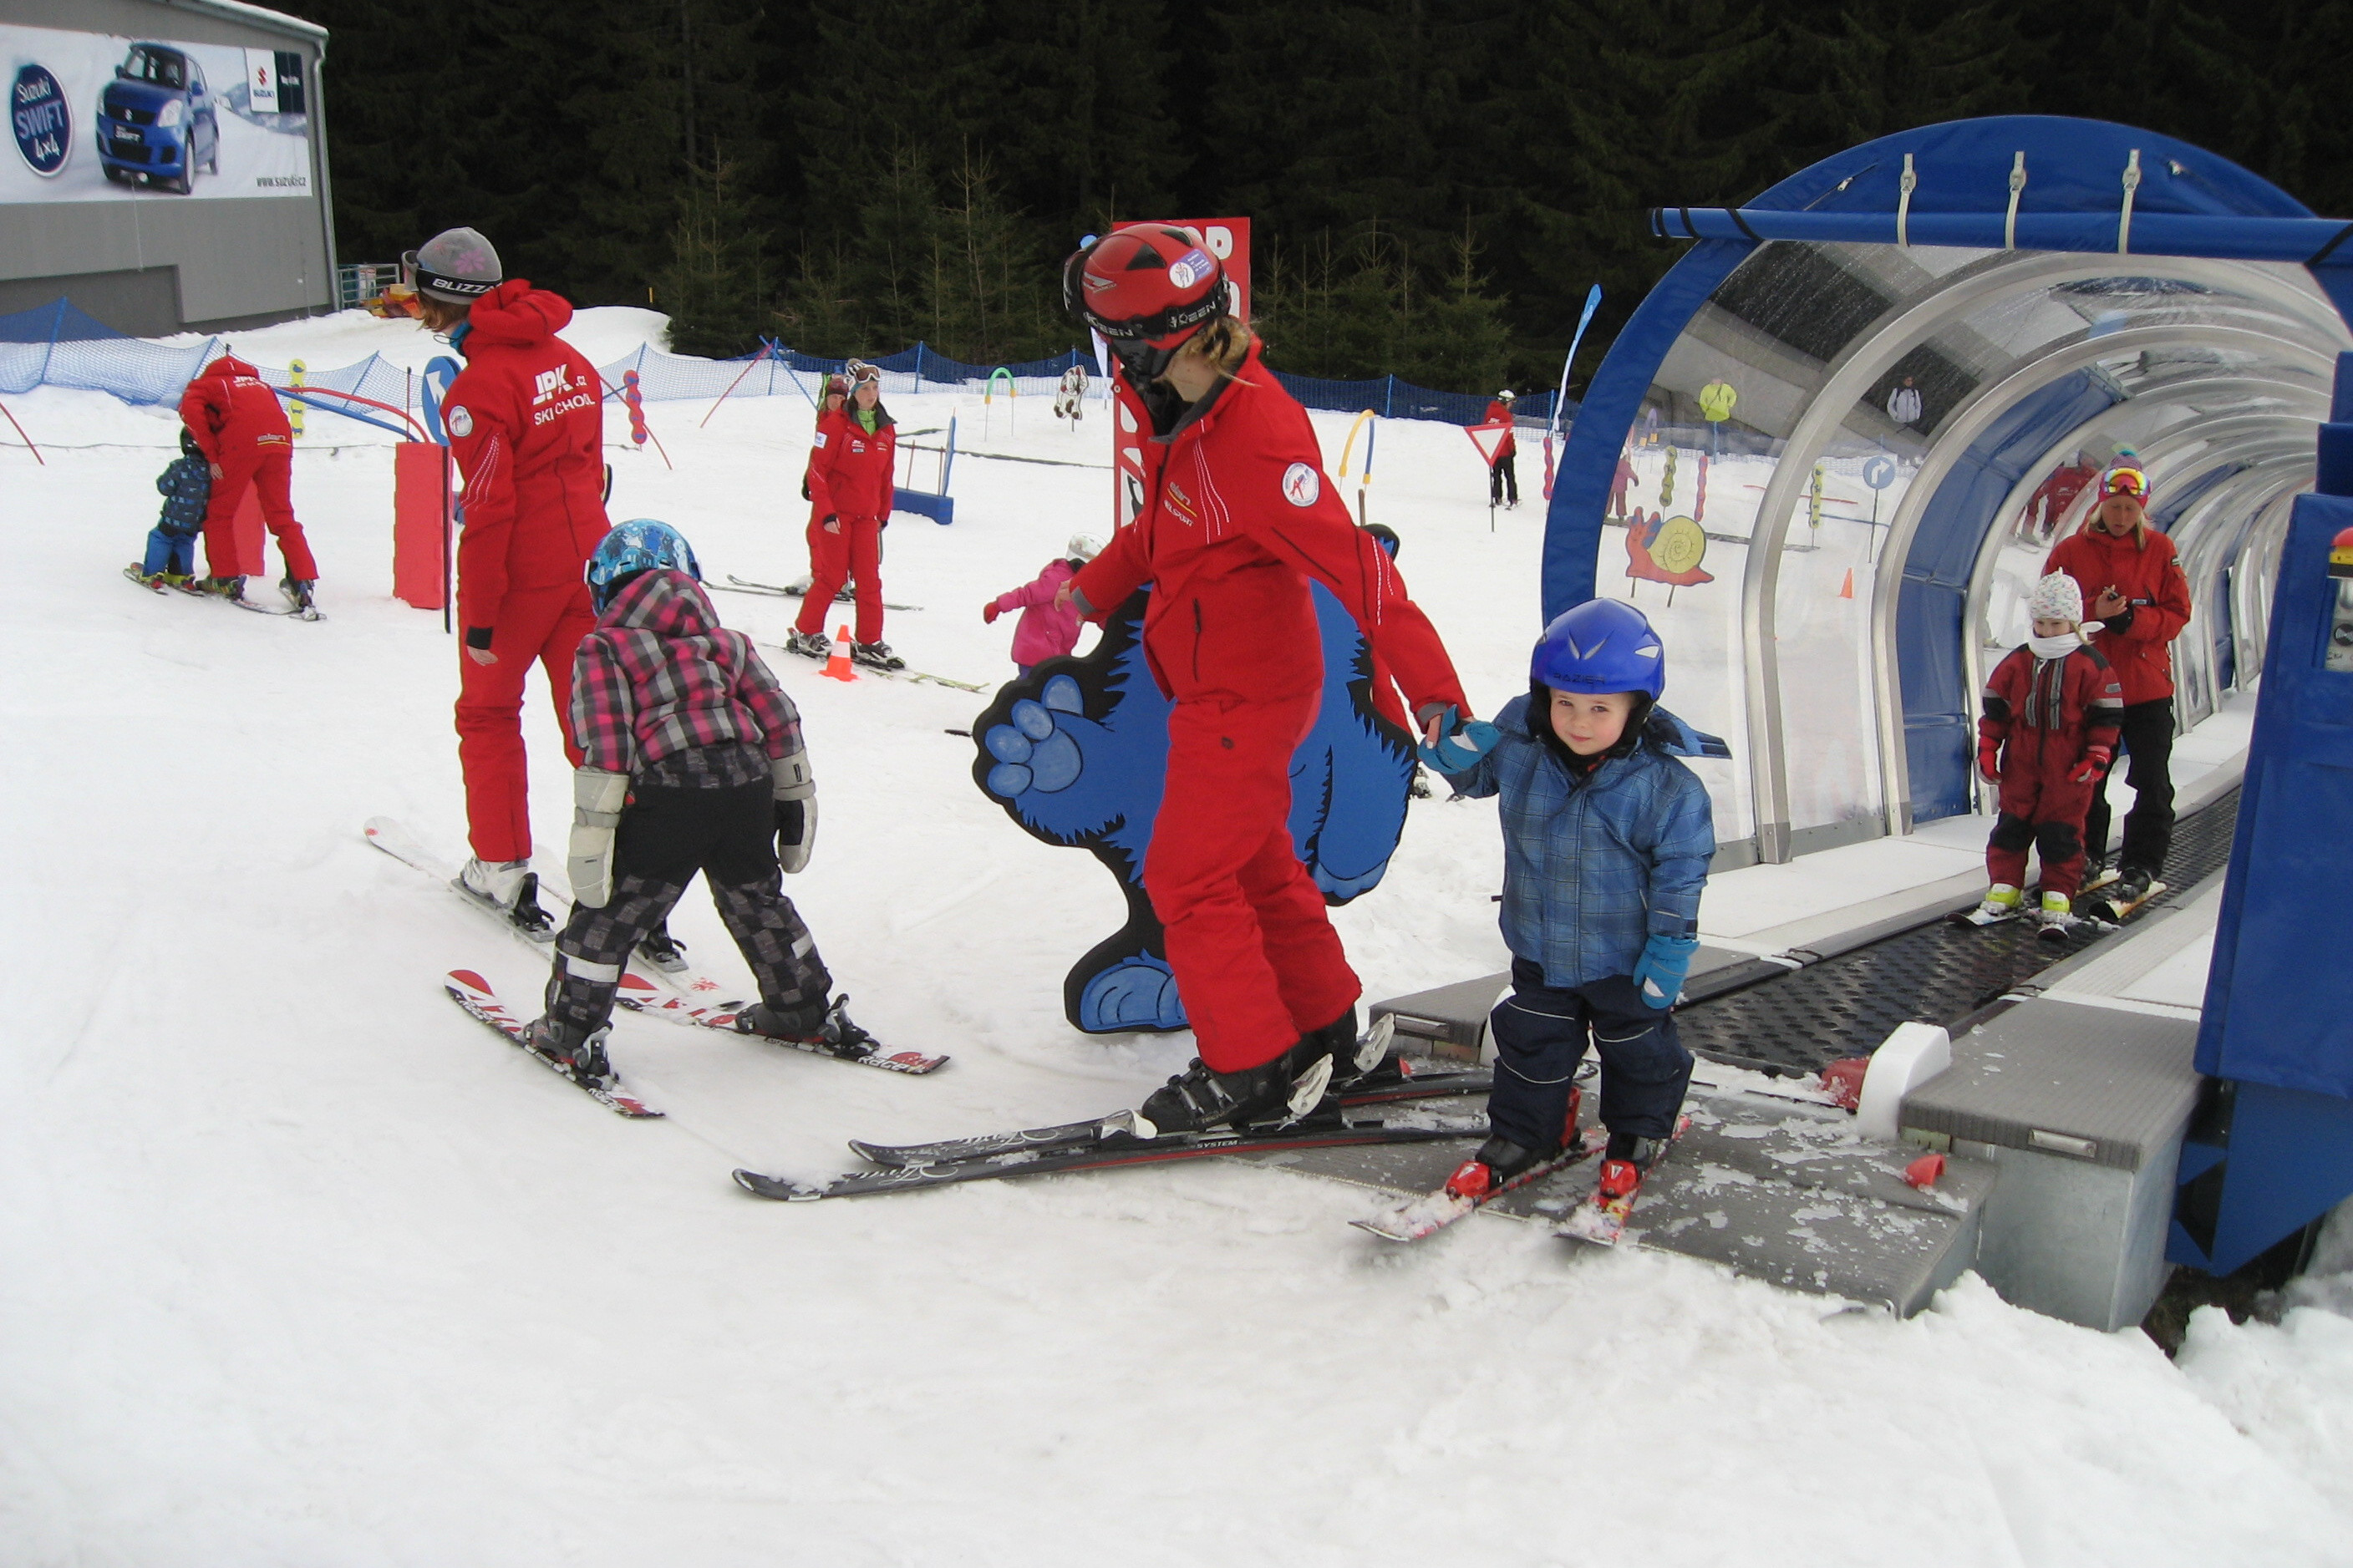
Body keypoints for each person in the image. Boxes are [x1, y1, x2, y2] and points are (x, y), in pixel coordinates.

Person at [1055, 222, 1481, 1133]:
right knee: (1254, 865)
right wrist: (1085, 591)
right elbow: (1165, 527)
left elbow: (1359, 570)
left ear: (1148, 341)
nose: (1109, 360)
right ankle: (1324, 1028)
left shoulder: (1254, 438)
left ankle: (1246, 1065)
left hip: (1244, 700)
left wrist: (1435, 691)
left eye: (1111, 341)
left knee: (1185, 878)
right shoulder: (1183, 405)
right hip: (1215, 690)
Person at [525, 520, 872, 1087]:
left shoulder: (604, 647)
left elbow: (606, 744)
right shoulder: (729, 643)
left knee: (612, 915)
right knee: (757, 902)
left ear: (605, 588)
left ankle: (570, 1030)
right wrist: (794, 793)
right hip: (747, 786)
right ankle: (802, 1008)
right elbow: (779, 716)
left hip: (671, 794)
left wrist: (595, 834)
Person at [1426, 598, 1715, 1220]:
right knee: (1532, 1043)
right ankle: (1527, 1133)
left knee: (1637, 1047)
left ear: (1638, 708)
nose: (1579, 722)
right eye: (1565, 704)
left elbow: (1681, 874)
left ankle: (1638, 1132)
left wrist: (1670, 948)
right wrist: (1455, 753)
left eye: (1600, 709)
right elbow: (1477, 776)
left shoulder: (1668, 789)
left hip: (1625, 956)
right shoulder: (1522, 752)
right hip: (1540, 945)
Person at [406, 226, 617, 941]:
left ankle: (499, 865)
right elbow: (592, 463)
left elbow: (490, 508)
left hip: (522, 573)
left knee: (489, 714)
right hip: (588, 559)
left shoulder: (477, 387)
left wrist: (480, 614)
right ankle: (627, 873)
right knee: (594, 726)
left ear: (444, 303)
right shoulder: (570, 358)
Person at [2043, 451, 2192, 906]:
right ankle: (2085, 855)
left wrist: (2132, 622)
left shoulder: (2160, 550)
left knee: (2152, 780)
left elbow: (2177, 612)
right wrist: (2095, 613)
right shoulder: (2071, 552)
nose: (2122, 517)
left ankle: (2142, 863)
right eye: (2115, 507)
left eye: (2130, 509)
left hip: (2147, 688)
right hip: (2091, 687)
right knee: (2086, 779)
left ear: (2141, 509)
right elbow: (2048, 611)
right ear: (2101, 505)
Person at [1967, 573, 2124, 932]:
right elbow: (1996, 710)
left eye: (2056, 624)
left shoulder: (2090, 664)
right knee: (2011, 826)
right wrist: (1988, 749)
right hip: (2021, 761)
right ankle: (2004, 887)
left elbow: (2106, 716)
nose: (2048, 632)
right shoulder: (2019, 661)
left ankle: (2058, 893)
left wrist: (2096, 756)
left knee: (2061, 831)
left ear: (2073, 623)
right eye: (2040, 623)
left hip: (2066, 765)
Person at [176, 349, 319, 609]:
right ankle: (302, 580)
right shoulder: (261, 386)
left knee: (219, 513)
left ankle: (225, 578)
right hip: (279, 444)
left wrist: (212, 455)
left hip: (239, 446)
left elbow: (191, 414)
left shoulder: (206, 384)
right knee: (282, 514)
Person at [788, 362, 902, 670]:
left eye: (875, 388)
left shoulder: (886, 429)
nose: (871, 394)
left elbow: (886, 476)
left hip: (867, 517)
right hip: (836, 516)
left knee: (869, 580)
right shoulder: (834, 424)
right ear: (854, 392)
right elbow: (817, 472)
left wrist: (883, 513)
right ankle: (807, 631)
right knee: (833, 576)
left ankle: (869, 641)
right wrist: (826, 513)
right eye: (865, 389)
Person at [984, 533, 1102, 675]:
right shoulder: (1056, 580)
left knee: (1046, 681)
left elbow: (1096, 607)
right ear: (1079, 564)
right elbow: (1025, 594)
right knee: (1035, 683)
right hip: (1037, 649)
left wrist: (1113, 626)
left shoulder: (1084, 584)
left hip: (1057, 648)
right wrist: (998, 606)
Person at [130, 428, 211, 588]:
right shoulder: (211, 470)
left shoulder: (180, 466)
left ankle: (152, 574)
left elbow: (164, 487)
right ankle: (181, 575)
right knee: (185, 542)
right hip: (195, 521)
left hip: (173, 518)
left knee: (160, 538)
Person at [1485, 389, 1519, 508]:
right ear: (1506, 402)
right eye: (1511, 403)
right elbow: (1509, 436)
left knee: (1496, 475)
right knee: (1510, 476)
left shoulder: (1490, 411)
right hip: (1505, 452)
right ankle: (1513, 499)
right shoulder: (1506, 415)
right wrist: (1512, 449)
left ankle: (1497, 497)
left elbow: (1485, 429)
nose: (1511, 405)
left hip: (1493, 451)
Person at [1697, 377, 1736, 456]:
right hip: (1711, 416)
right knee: (1711, 435)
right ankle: (1709, 450)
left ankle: (1723, 450)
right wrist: (1706, 409)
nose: (1716, 381)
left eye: (1718, 379)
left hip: (1723, 416)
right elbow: (1702, 400)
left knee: (1723, 435)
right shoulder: (1707, 388)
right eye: (1715, 379)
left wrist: (1729, 405)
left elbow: (1733, 396)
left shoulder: (1726, 388)